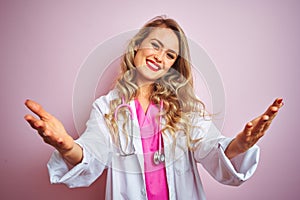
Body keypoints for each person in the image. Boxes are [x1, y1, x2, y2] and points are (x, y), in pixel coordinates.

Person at [24, 16, 283, 200]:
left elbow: (211, 147)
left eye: (170, 54)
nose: (160, 57)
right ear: (137, 46)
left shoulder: (185, 110)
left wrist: (242, 143)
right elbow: (93, 150)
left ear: (173, 65)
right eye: (155, 46)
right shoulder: (106, 108)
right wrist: (67, 146)